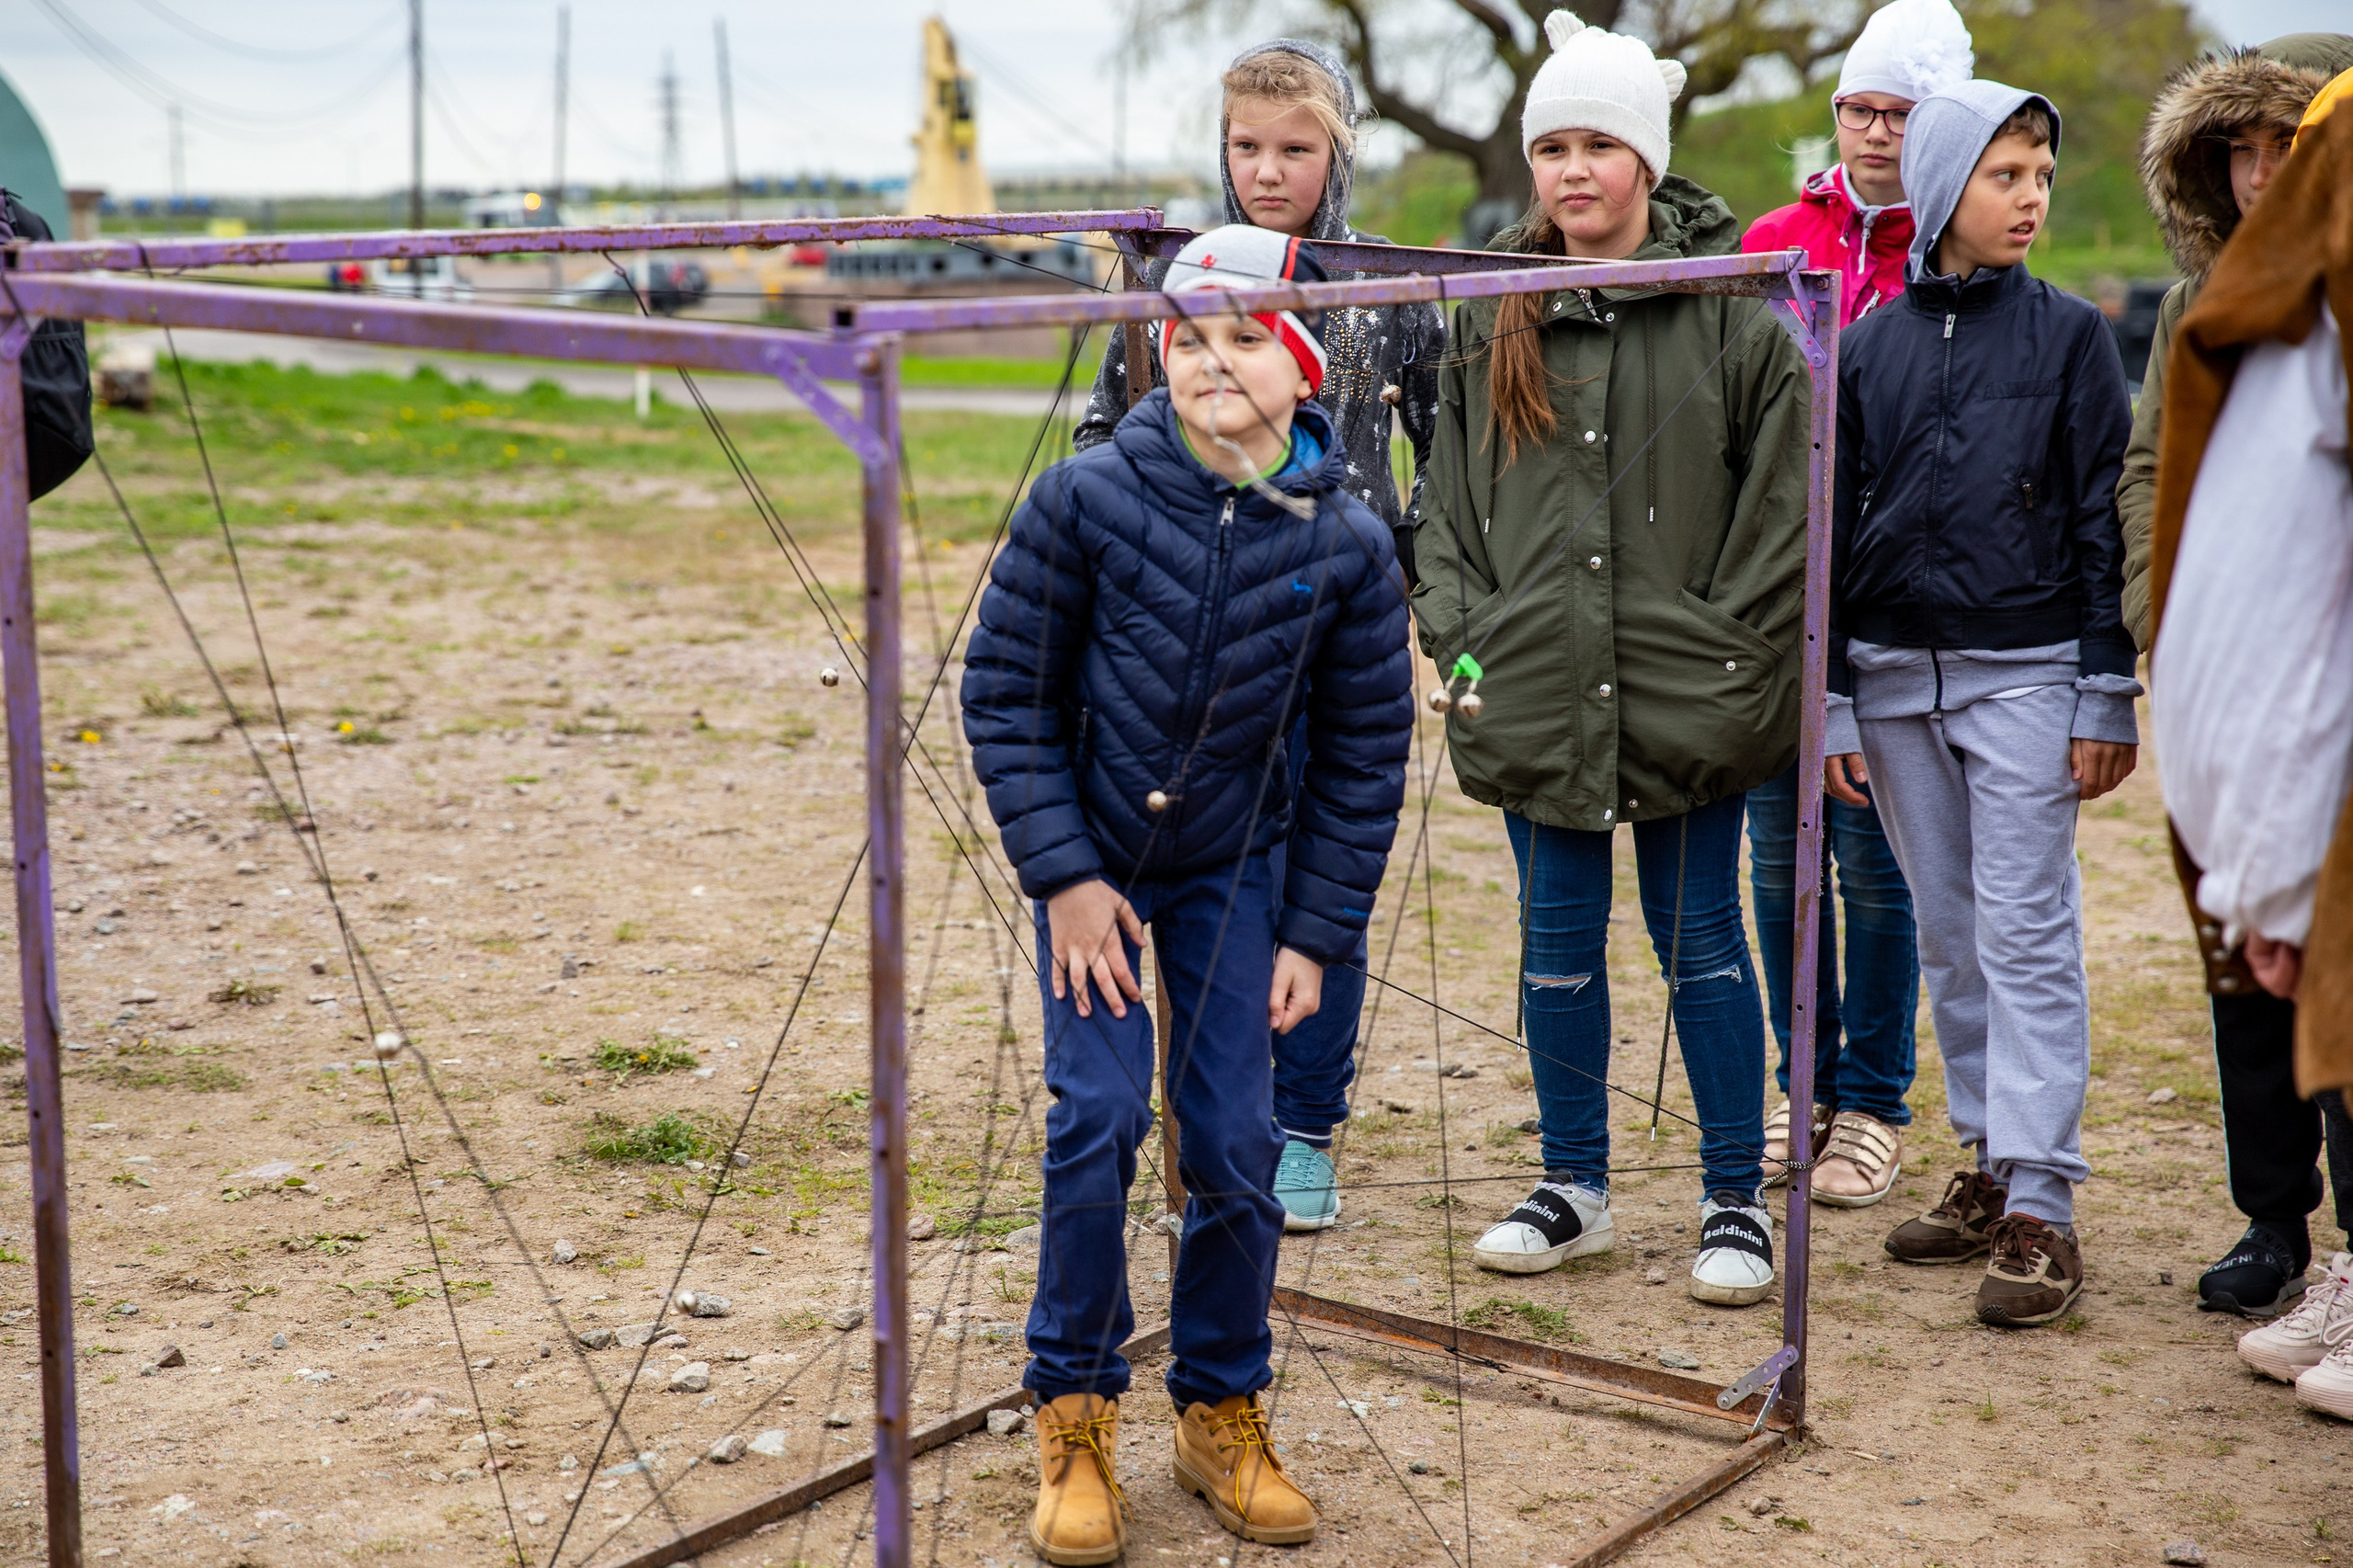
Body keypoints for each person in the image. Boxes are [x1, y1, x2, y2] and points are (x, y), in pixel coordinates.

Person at [961, 225, 1412, 1561]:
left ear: (1303, 365)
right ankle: (1075, 1406)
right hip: (1095, 857)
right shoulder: (1085, 499)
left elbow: (1364, 752)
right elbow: (1006, 695)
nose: (1219, 359)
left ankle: (1220, 1402)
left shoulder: (1345, 543)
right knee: (1096, 1116)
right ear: (1161, 352)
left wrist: (1316, 931)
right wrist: (1067, 879)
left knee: (1234, 1140)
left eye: (1250, 335)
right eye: (1193, 334)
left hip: (1238, 863)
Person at [1413, 14, 1811, 1306]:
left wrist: (1734, 656)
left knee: (1703, 944)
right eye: (1551, 146)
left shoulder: (1734, 316)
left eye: (1597, 143)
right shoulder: (1492, 316)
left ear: (1646, 156)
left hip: (1690, 694)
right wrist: (1464, 648)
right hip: (1530, 685)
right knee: (1556, 949)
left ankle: (1732, 1197)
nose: (1572, 169)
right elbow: (1449, 514)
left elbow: (1780, 513)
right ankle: (1571, 1180)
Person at [1078, 40, 1443, 1235]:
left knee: (1318, 896)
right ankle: (1218, 1118)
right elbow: (1099, 440)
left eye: (1295, 148)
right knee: (1212, 883)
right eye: (1247, 146)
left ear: (1339, 151)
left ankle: (1308, 1125)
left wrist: (1419, 591)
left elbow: (1442, 471)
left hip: (1336, 631)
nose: (1268, 170)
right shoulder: (1182, 283)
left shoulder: (1378, 293)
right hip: (1196, 645)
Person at [1827, 82, 2138, 1329]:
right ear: (1946, 186)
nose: (2031, 198)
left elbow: (2097, 516)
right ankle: (1991, 1159)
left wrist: (2106, 684)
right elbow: (1837, 528)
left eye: (2043, 178)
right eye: (2007, 175)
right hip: (1893, 683)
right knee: (1950, 930)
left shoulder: (2070, 337)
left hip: (2029, 666)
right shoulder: (1864, 348)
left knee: (2025, 929)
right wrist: (1842, 697)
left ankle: (2045, 1204)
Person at [2114, 33, 2353, 1320]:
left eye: (2287, 144)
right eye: (2240, 150)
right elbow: (2151, 469)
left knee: (2333, 966)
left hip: (2330, 692)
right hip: (2225, 687)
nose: (2261, 173)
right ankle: (2274, 1218)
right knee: (2235, 964)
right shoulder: (2202, 301)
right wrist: (2176, 629)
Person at [1738, 0, 1972, 1210]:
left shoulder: (1956, 250)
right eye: (1857, 108)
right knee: (1781, 861)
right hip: (1782, 595)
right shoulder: (1780, 238)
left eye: (1900, 111)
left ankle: (1877, 1098)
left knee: (1877, 867)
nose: (1874, 130)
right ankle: (1804, 1081)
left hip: (1897, 606)